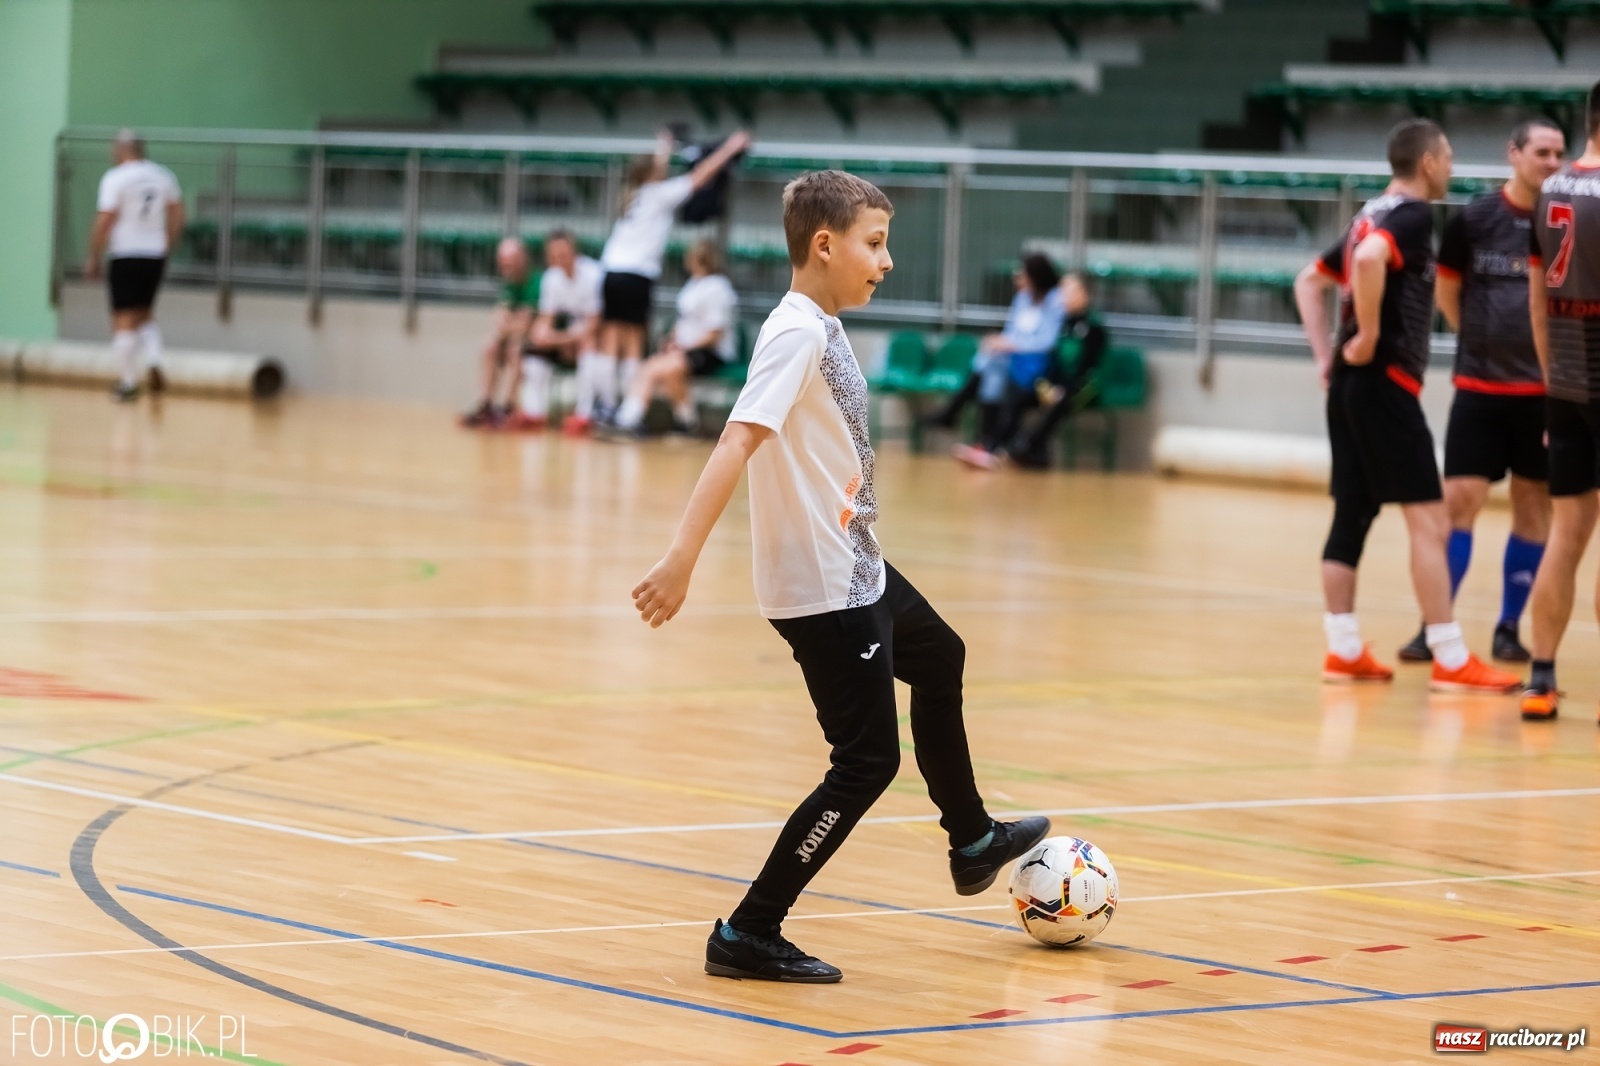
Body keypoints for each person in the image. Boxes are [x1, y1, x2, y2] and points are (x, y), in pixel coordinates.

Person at [630, 170, 1049, 983]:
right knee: (865, 764)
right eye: (875, 243)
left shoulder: (822, 321)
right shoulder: (797, 333)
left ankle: (971, 840)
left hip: (858, 566)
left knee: (942, 656)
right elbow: (735, 443)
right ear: (824, 245)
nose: (885, 262)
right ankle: (748, 932)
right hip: (824, 587)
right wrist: (681, 558)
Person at [1292, 118, 1520, 693]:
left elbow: (1307, 281)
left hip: (1347, 387)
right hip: (1384, 384)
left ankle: (1343, 648)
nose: (1451, 167)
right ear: (1426, 162)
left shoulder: (1368, 211)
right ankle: (1448, 655)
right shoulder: (1412, 217)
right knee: (1431, 518)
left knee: (1352, 513)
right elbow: (1369, 261)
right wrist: (1367, 335)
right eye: (1447, 157)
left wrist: (1327, 357)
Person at [1395, 120, 1566, 665]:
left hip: (1541, 390)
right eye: (1542, 152)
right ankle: (1435, 625)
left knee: (1533, 506)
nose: (1552, 163)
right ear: (1513, 154)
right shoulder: (1473, 219)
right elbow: (1448, 290)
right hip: (1479, 387)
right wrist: (1479, 339)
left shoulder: (1566, 221)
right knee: (1458, 502)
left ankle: (1510, 627)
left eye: (1560, 153)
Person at [570, 128, 750, 435]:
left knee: (610, 341)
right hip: (636, 275)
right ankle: (629, 413)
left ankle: (609, 407)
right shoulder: (660, 193)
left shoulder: (634, 195)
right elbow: (701, 175)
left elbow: (656, 165)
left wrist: (663, 144)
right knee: (631, 345)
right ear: (654, 172)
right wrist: (730, 148)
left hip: (609, 271)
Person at [1521, 81, 1600, 722]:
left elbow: (1535, 302)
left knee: (1566, 535)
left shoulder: (1549, 189)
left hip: (1565, 384)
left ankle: (1540, 679)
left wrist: (1554, 384)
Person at [927, 254, 1063, 468]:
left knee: (989, 371)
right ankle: (986, 444)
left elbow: (1046, 342)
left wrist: (1012, 345)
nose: (1017, 277)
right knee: (989, 365)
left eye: (1023, 273)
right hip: (1012, 362)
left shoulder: (1055, 301)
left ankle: (964, 422)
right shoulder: (1023, 298)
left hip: (1037, 367)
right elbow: (1012, 331)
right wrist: (999, 342)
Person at [85, 130, 184, 402]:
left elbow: (105, 219)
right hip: (154, 254)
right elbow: (178, 213)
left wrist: (93, 255)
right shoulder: (163, 176)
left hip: (125, 253)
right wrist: (167, 243)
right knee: (143, 312)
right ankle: (153, 358)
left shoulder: (116, 178)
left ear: (120, 150)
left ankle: (128, 383)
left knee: (123, 318)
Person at [601, 240, 737, 438]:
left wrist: (683, 347)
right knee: (650, 367)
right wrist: (671, 340)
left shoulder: (718, 288)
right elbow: (684, 320)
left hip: (711, 352)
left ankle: (636, 420)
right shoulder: (694, 283)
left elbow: (714, 334)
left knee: (670, 368)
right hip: (684, 350)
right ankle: (675, 422)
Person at [1004, 272, 1109, 470]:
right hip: (1058, 385)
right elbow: (1052, 361)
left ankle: (1024, 446)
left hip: (1085, 388)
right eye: (1063, 291)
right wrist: (1045, 385)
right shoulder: (1060, 324)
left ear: (1085, 295)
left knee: (1059, 402)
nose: (1065, 296)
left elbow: (1085, 368)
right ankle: (1018, 448)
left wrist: (1060, 389)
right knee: (1020, 395)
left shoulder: (1094, 328)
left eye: (1071, 291)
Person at [515, 230, 603, 431]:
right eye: (553, 255)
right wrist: (541, 333)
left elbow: (594, 324)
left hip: (588, 337)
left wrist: (563, 340)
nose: (558, 259)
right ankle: (534, 412)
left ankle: (584, 415)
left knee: (588, 346)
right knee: (534, 350)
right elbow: (546, 318)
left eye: (562, 253)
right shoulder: (550, 278)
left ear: (574, 251)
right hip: (565, 337)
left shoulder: (593, 274)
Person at [461, 237, 539, 429]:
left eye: (510, 265)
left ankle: (508, 407)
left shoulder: (536, 282)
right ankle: (486, 404)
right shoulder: (509, 283)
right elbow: (499, 317)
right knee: (490, 346)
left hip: (536, 340)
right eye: (503, 265)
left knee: (515, 350)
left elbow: (526, 324)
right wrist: (507, 326)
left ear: (523, 260)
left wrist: (508, 326)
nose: (506, 270)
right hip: (514, 336)